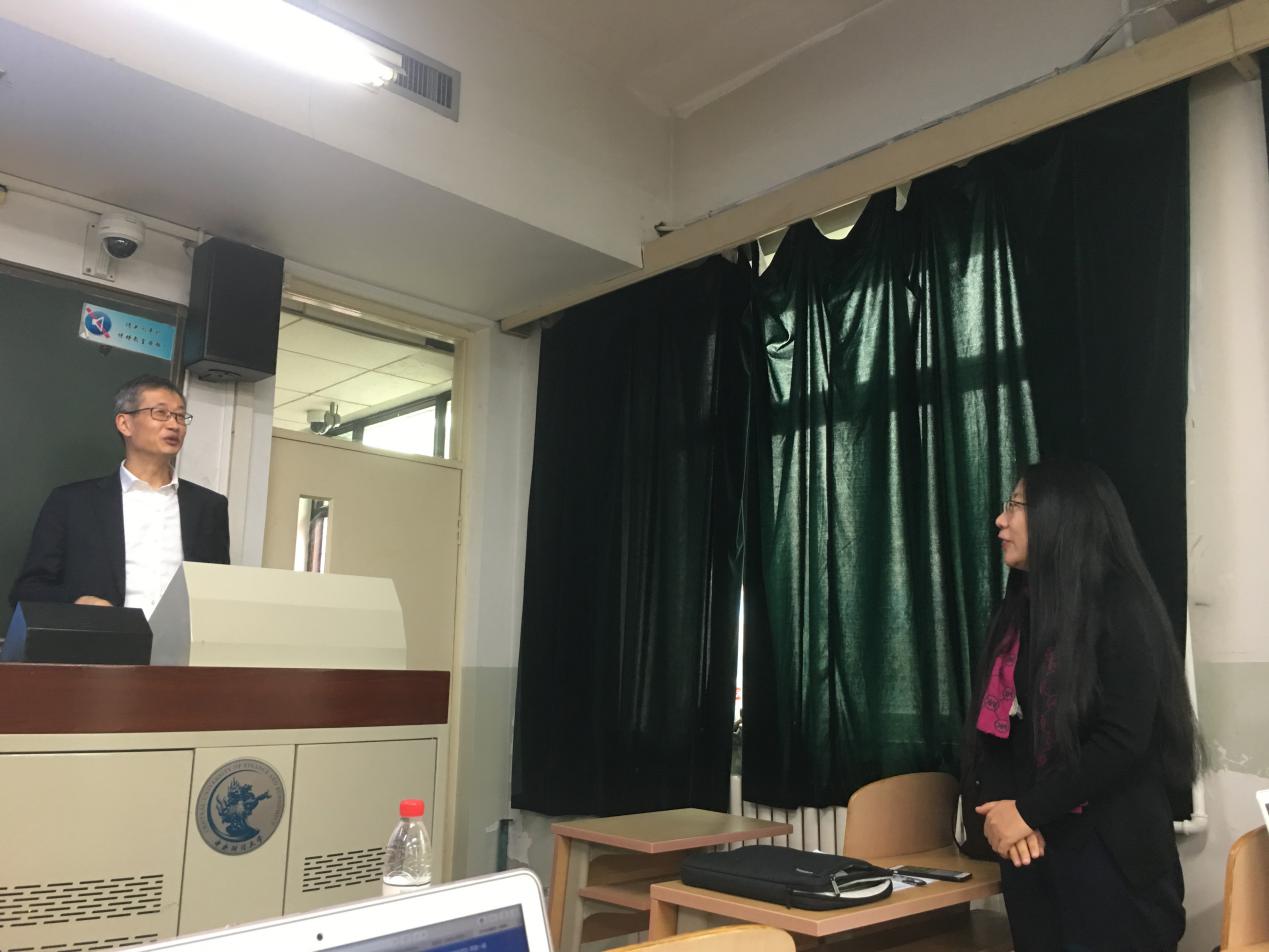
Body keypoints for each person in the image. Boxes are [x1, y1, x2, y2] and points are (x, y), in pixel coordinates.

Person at [962, 460, 1202, 952]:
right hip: (1033, 851)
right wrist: (1008, 816)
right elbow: (998, 728)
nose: (1000, 521)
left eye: (1014, 506)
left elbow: (1122, 739)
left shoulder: (1120, 604)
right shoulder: (1021, 608)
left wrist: (1027, 811)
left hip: (1109, 852)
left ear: (1060, 515)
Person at [9, 375, 230, 617]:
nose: (174, 425)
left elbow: (220, 592)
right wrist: (78, 601)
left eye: (180, 416)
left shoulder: (209, 507)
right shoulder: (72, 503)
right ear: (125, 424)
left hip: (182, 640)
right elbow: (27, 590)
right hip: (101, 637)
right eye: (160, 413)